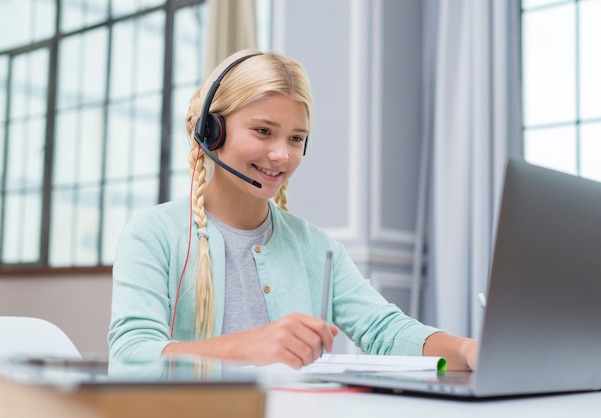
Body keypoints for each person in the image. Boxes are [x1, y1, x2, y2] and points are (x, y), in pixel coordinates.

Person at [108, 49, 478, 371]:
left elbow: (386, 331)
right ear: (212, 131)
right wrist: (250, 347)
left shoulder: (315, 247)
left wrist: (467, 349)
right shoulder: (152, 234)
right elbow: (130, 357)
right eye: (263, 131)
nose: (282, 155)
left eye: (296, 138)